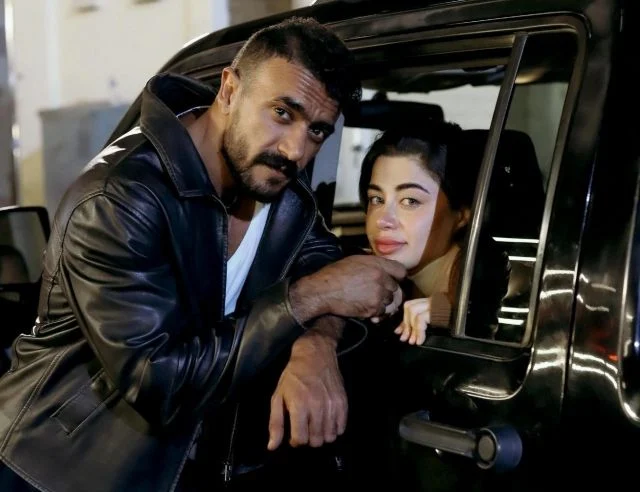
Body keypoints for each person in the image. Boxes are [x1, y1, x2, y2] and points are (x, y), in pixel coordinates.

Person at [0, 17, 406, 492]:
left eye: (317, 131)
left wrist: (315, 343)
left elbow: (329, 271)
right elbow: (157, 380)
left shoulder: (282, 193)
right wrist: (305, 300)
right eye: (282, 113)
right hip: (64, 470)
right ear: (229, 91)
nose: (295, 150)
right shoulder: (119, 200)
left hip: (194, 468)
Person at [343, 122, 510, 490]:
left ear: (462, 213)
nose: (383, 220)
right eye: (376, 199)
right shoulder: (374, 274)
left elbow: (481, 311)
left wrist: (447, 312)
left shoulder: (488, 266)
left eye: (410, 201)